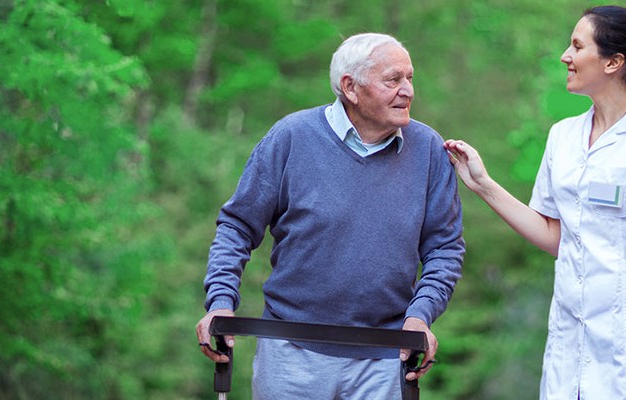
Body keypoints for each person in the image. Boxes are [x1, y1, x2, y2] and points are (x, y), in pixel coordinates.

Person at [444, 6, 626, 400]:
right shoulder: (562, 136)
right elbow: (555, 236)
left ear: (614, 62)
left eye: (577, 46)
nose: (565, 55)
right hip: (572, 343)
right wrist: (483, 185)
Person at [195, 32, 465, 399]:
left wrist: (420, 317)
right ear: (351, 87)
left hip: (385, 358)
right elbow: (237, 227)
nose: (408, 91)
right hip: (290, 355)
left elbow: (444, 249)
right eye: (393, 80)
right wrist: (221, 302)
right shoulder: (291, 138)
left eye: (410, 78)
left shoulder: (430, 150)